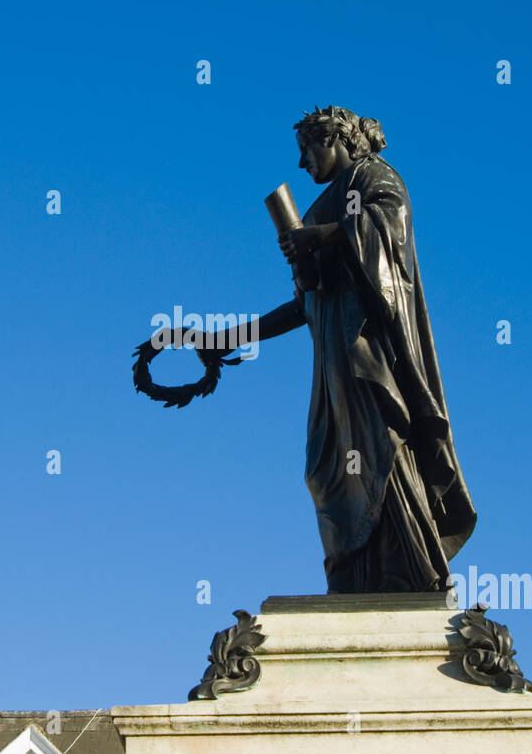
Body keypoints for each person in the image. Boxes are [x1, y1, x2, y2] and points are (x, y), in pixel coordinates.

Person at [202, 105, 476, 593]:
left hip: (368, 354)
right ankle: (353, 583)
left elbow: (387, 233)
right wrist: (226, 337)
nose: (303, 164)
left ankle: (416, 576)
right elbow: (304, 305)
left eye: (306, 150)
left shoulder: (375, 178)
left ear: (334, 140)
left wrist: (320, 236)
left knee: (380, 454)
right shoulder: (315, 209)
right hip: (331, 365)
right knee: (326, 471)